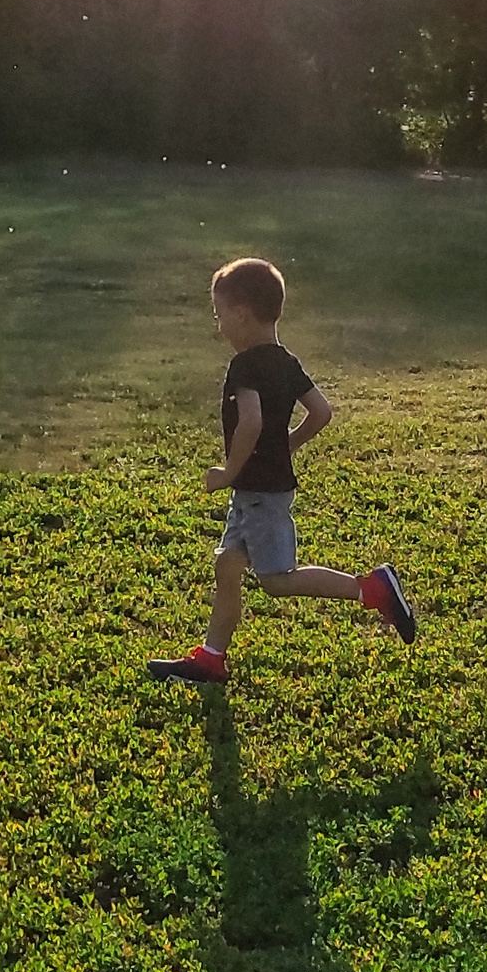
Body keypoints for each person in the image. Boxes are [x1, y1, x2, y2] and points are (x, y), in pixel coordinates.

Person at [147, 256, 418, 685]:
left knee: (276, 579)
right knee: (227, 565)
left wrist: (228, 472)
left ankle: (371, 589)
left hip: (257, 491)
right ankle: (210, 659)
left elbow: (251, 421)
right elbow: (321, 412)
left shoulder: (245, 365)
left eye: (220, 316)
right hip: (263, 488)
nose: (219, 327)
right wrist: (284, 446)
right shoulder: (286, 362)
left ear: (240, 315)